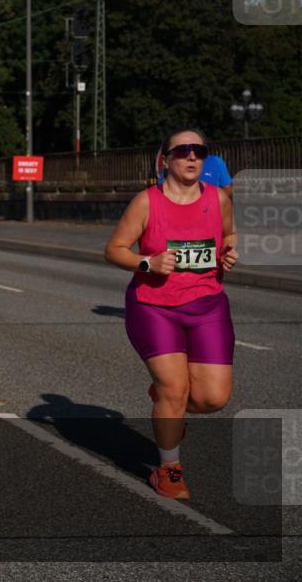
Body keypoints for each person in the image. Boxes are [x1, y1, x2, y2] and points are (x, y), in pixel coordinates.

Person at [105, 129, 238, 501]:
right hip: (154, 307)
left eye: (199, 151)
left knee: (213, 398)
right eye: (183, 151)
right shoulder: (146, 202)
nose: (192, 157)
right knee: (175, 390)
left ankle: (168, 401)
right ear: (165, 159)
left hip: (208, 305)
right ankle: (168, 469)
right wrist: (148, 262)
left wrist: (229, 253)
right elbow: (114, 249)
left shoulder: (218, 199)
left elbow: (229, 236)